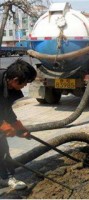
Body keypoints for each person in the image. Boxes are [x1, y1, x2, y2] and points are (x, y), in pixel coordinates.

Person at [0, 59, 37, 190]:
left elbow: (6, 110)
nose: (26, 86)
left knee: (2, 145)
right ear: (15, 80)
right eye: (26, 82)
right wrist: (2, 126)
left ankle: (6, 178)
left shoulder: (10, 87)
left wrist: (18, 128)